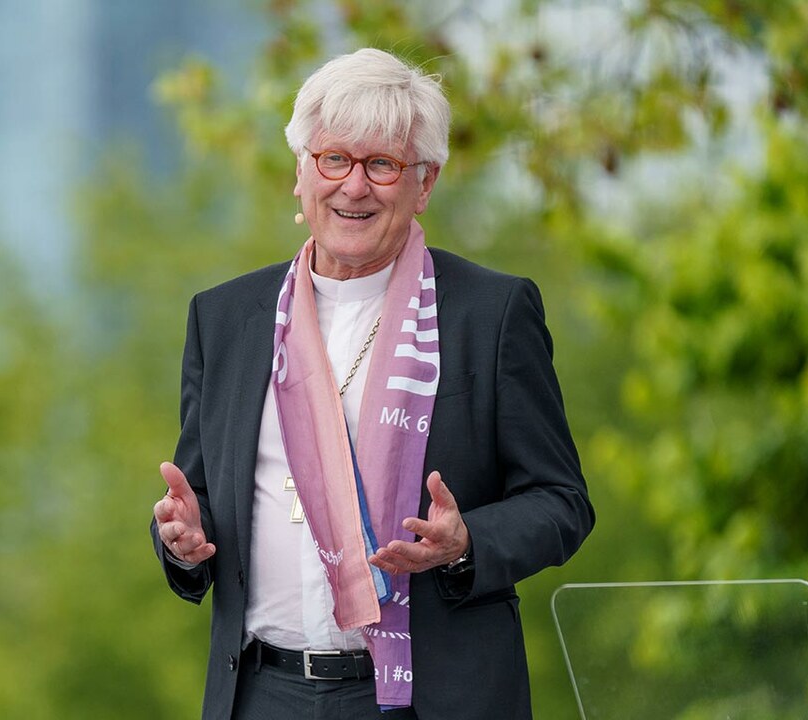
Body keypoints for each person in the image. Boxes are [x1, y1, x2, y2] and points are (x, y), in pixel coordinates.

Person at [150, 48, 594, 720]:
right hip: (263, 692)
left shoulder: (490, 314)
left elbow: (561, 502)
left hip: (431, 696)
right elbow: (202, 498)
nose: (354, 187)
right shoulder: (226, 319)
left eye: (381, 165)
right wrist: (182, 538)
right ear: (299, 174)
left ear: (424, 182)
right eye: (334, 160)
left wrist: (467, 541)